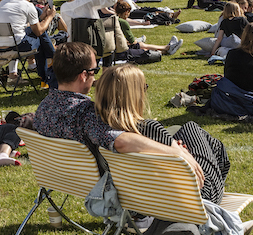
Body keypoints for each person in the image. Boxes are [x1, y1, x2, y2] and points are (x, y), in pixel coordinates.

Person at [33, 42, 205, 187]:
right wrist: (176, 152)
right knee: (193, 132)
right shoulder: (85, 113)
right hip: (103, 184)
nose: (95, 77)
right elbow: (120, 141)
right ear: (84, 75)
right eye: (95, 71)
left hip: (61, 177)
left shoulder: (44, 107)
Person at [95, 62, 232, 204]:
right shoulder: (149, 128)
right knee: (194, 130)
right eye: (143, 88)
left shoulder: (100, 132)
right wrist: (180, 152)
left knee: (188, 133)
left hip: (139, 197)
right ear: (133, 95)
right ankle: (219, 192)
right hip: (198, 196)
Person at [0, 0, 57, 86]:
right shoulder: (28, 5)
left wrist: (41, 18)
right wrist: (50, 17)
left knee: (38, 35)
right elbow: (38, 31)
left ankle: (49, 65)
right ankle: (51, 64)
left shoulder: (3, 3)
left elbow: (22, 25)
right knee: (41, 37)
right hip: (16, 45)